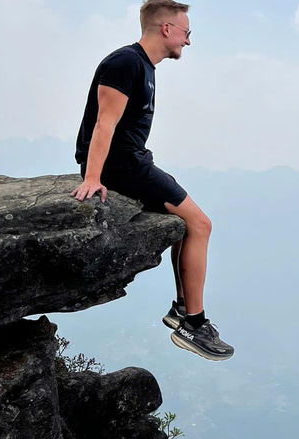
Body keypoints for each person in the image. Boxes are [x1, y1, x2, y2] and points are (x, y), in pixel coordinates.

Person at [71, 0, 233, 361]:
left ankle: (182, 310)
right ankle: (194, 322)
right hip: (123, 168)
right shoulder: (125, 62)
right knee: (201, 224)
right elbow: (104, 123)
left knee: (187, 223)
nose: (188, 41)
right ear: (167, 29)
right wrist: (93, 177)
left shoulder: (142, 65)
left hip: (133, 163)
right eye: (186, 32)